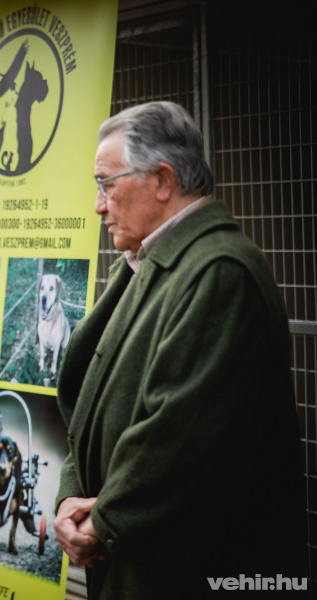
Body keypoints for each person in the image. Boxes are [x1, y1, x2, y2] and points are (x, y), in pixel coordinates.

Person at [53, 101, 308, 598]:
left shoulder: (219, 272)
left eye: (106, 184)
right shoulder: (149, 262)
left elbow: (178, 438)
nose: (99, 205)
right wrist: (72, 497)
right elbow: (91, 403)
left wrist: (101, 521)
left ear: (163, 181)